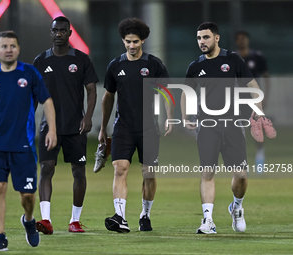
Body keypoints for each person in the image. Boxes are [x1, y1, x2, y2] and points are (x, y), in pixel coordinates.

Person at [0, 31, 57, 251]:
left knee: (27, 195)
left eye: (13, 46)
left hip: (22, 145)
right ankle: (0, 236)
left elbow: (47, 101)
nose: (8, 50)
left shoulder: (30, 74)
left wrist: (52, 129)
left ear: (18, 49)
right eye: (4, 46)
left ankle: (29, 219)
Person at [182, 22, 266, 234]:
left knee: (241, 175)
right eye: (199, 38)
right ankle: (208, 220)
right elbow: (185, 93)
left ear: (217, 38)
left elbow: (253, 86)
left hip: (232, 124)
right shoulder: (195, 67)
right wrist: (185, 117)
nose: (202, 42)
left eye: (206, 37)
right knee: (207, 173)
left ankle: (236, 207)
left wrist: (258, 112)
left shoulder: (232, 60)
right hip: (206, 125)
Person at [98, 18, 173, 233]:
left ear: (143, 41)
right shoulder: (115, 66)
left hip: (149, 128)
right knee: (120, 169)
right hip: (123, 128)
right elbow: (108, 97)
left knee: (149, 173)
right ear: (123, 40)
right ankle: (120, 217)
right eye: (128, 41)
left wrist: (169, 117)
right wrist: (103, 128)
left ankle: (145, 214)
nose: (132, 46)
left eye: (136, 42)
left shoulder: (153, 64)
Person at [33, 16, 98, 234]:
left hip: (75, 126)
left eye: (63, 31)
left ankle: (75, 220)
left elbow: (91, 90)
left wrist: (88, 117)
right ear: (50, 33)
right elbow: (33, 96)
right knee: (46, 168)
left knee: (79, 172)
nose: (58, 34)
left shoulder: (81, 59)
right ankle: (46, 220)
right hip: (49, 127)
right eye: (55, 31)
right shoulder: (40, 61)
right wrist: (26, 122)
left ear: (70, 33)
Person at [235, 30, 270, 170]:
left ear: (248, 40)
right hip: (238, 99)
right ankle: (242, 161)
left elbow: (266, 77)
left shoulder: (257, 57)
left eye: (243, 38)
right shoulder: (233, 58)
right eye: (239, 39)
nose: (241, 41)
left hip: (254, 99)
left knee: (256, 129)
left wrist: (265, 97)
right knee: (238, 130)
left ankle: (260, 155)